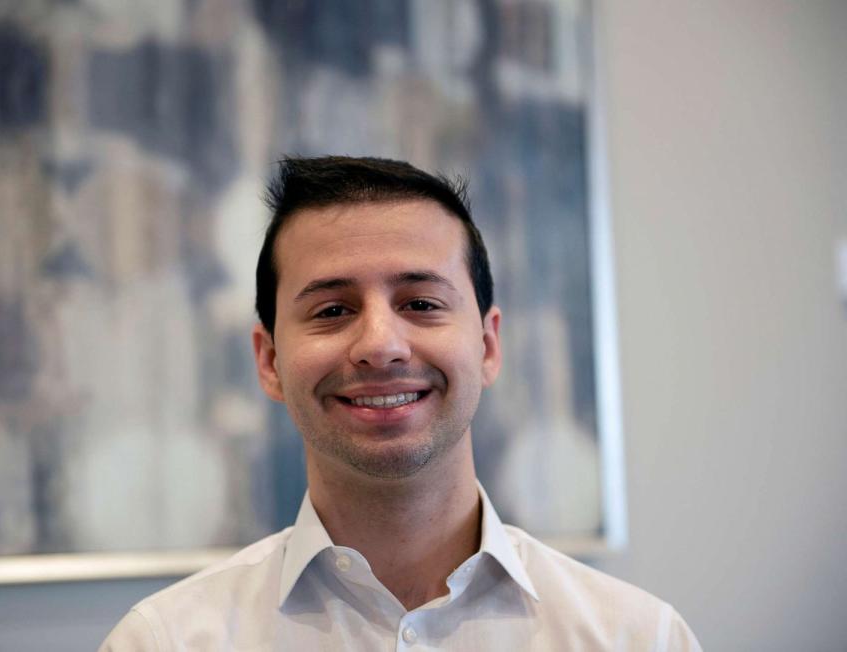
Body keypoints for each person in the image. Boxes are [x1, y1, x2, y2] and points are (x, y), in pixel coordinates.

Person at [100, 156, 701, 650]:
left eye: (420, 303)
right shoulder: (166, 642)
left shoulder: (639, 638)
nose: (381, 346)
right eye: (332, 310)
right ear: (269, 361)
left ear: (488, 345)